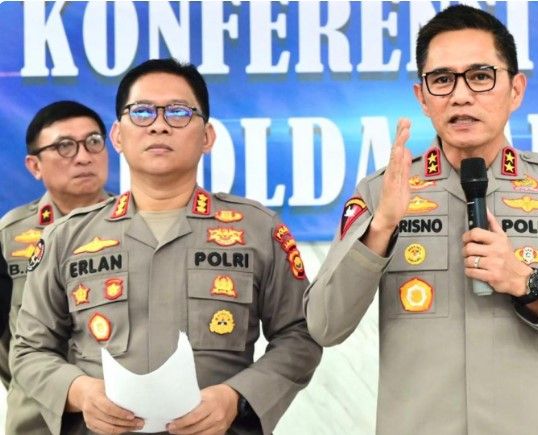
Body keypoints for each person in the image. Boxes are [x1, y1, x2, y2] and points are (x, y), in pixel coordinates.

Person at [303, 5, 538, 435]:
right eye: (442, 80)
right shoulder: (382, 192)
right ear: (422, 97)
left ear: (516, 89)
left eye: (480, 76)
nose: (460, 96)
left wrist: (528, 283)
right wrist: (380, 230)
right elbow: (324, 326)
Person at [12, 58, 322, 435]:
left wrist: (237, 397)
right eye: (142, 112)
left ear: (206, 137)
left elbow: (300, 336)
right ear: (118, 136)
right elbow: (29, 350)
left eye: (178, 112)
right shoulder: (67, 237)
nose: (159, 125)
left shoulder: (257, 230)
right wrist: (79, 391)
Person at [0, 100, 110, 434]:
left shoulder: (136, 225)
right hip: (37, 419)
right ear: (35, 166)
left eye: (93, 142)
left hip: (118, 415)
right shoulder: (9, 235)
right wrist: (38, 382)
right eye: (65, 146)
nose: (83, 157)